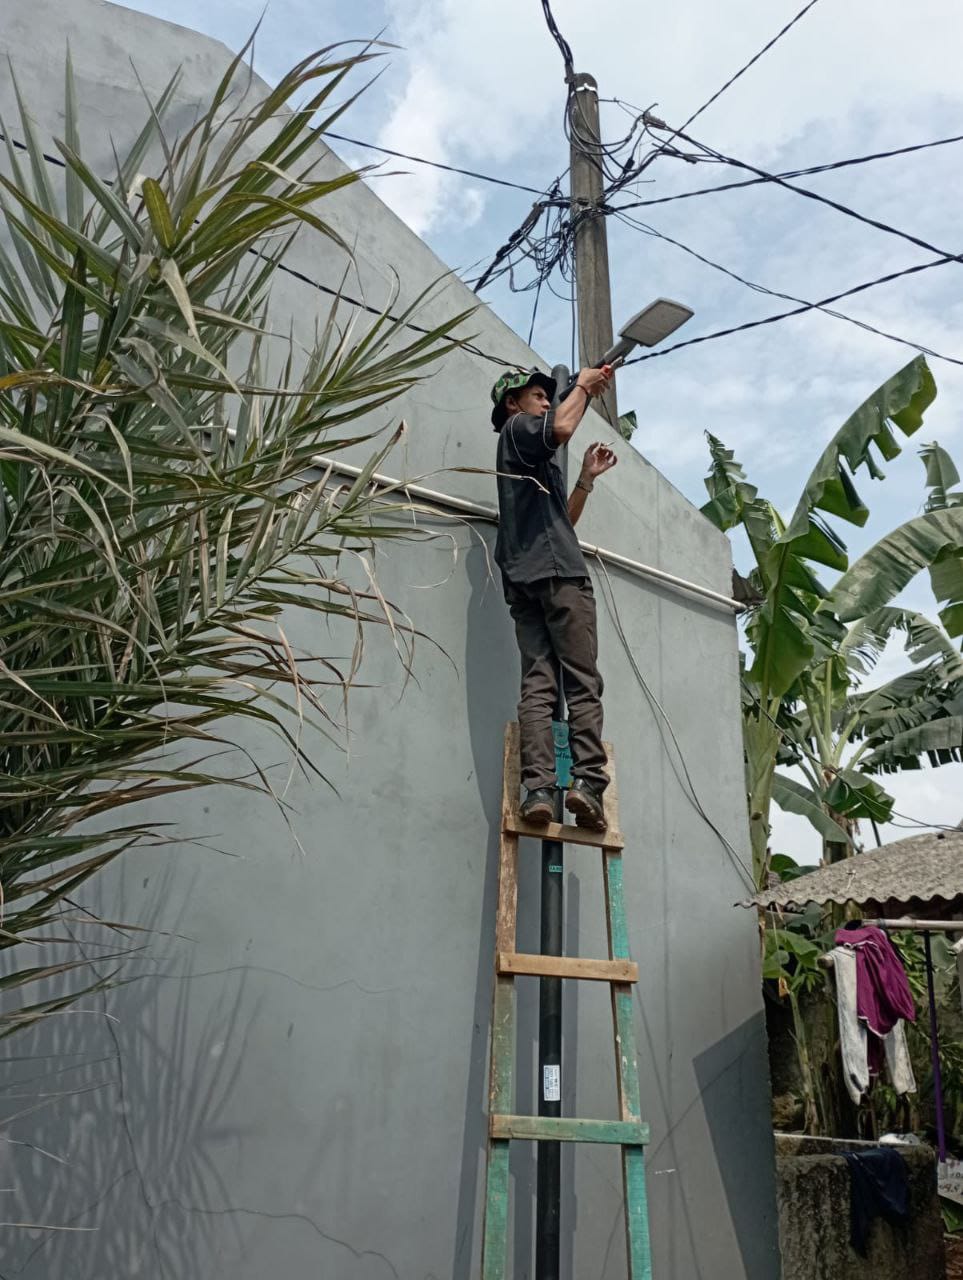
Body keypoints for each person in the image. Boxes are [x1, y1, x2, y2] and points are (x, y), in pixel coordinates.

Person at [490, 364, 618, 830]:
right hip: (560, 576)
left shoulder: (526, 459)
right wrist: (583, 386)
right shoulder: (520, 430)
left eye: (550, 394)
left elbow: (562, 521)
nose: (545, 401)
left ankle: (539, 791)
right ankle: (587, 784)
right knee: (582, 682)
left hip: (526, 576)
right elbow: (562, 426)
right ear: (512, 404)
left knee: (539, 685)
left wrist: (585, 479)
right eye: (536, 395)